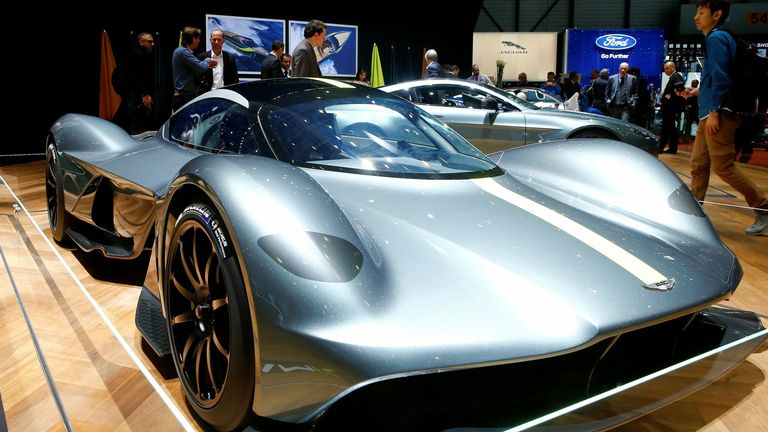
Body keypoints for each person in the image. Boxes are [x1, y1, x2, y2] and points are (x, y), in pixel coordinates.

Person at [681, 0, 768, 235]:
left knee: (724, 167)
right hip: (708, 111)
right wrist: (701, 92)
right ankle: (693, 215)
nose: (696, 17)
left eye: (701, 13)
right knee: (698, 164)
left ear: (717, 14)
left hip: (718, 114)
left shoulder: (716, 38)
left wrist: (715, 111)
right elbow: (716, 77)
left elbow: (722, 77)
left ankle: (764, 208)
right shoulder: (720, 37)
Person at [112, 32, 155, 134]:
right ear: (141, 42)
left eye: (153, 42)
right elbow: (135, 76)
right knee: (132, 111)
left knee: (126, 110)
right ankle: (133, 133)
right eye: (150, 41)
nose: (153, 44)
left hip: (127, 86)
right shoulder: (138, 54)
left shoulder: (139, 54)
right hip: (127, 86)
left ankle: (118, 130)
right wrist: (144, 94)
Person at [172, 26, 217, 111]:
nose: (199, 41)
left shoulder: (183, 51)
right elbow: (200, 67)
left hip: (184, 96)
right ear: (193, 38)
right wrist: (208, 60)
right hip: (184, 97)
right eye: (198, 38)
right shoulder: (183, 52)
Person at [659, 61, 685, 153]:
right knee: (670, 128)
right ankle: (671, 148)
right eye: (665, 68)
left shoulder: (676, 76)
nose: (665, 70)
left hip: (670, 108)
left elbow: (679, 89)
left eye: (667, 68)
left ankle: (661, 148)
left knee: (666, 128)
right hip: (670, 108)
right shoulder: (673, 77)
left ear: (673, 68)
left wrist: (670, 96)